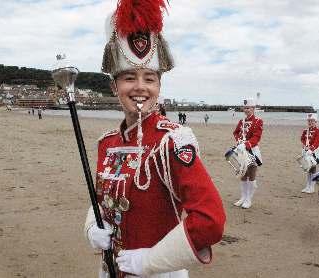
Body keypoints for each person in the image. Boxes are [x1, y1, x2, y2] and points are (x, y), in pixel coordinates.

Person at [84, 2, 226, 278]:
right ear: (114, 86)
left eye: (149, 78)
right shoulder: (107, 143)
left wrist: (150, 260)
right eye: (128, 78)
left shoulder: (171, 142)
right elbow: (104, 200)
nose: (139, 87)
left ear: (159, 87)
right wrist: (92, 224)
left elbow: (210, 221)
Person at [232, 98, 263, 209]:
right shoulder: (241, 121)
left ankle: (249, 199)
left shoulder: (258, 121)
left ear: (253, 108)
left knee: (251, 175)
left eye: (248, 108)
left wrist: (246, 144)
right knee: (243, 175)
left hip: (252, 151)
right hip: (241, 151)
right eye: (245, 108)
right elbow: (235, 132)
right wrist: (239, 141)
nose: (246, 110)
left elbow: (256, 137)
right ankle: (243, 197)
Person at [300, 113, 319, 193]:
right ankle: (307, 186)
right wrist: (303, 145)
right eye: (309, 121)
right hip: (306, 151)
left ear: (315, 121)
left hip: (314, 152)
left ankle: (312, 187)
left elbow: (318, 141)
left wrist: (311, 149)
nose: (310, 122)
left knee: (313, 168)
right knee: (308, 169)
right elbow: (302, 139)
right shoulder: (305, 131)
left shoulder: (318, 131)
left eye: (312, 121)